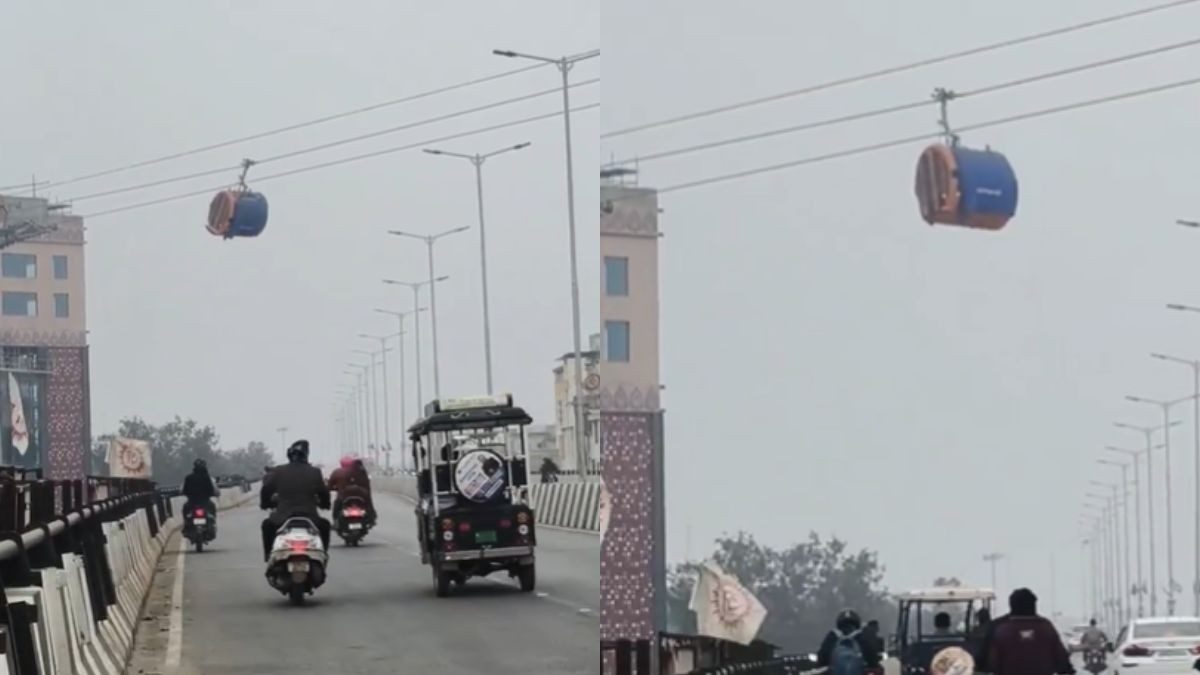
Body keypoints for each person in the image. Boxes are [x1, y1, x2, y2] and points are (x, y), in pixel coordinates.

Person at [259, 440, 331, 563]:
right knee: (325, 526)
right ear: (306, 455)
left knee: (267, 526)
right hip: (310, 516)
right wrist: (325, 504)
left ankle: (269, 556)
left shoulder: (279, 471)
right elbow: (324, 493)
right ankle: (322, 557)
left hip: (282, 517)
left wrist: (265, 504)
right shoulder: (314, 472)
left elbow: (266, 490)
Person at [977, 588, 1074, 675]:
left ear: (1011, 605)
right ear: (1034, 605)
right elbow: (1062, 662)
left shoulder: (1001, 630)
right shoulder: (1046, 628)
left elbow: (989, 663)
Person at [817, 609, 883, 674]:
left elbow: (822, 657)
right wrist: (874, 665)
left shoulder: (833, 635)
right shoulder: (861, 635)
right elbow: (871, 655)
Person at [182, 459, 219, 534]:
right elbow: (211, 490)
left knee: (185, 509)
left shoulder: (189, 477)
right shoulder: (207, 477)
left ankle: (186, 525)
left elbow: (185, 490)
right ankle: (212, 524)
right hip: (205, 502)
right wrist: (212, 494)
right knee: (212, 507)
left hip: (192, 502)